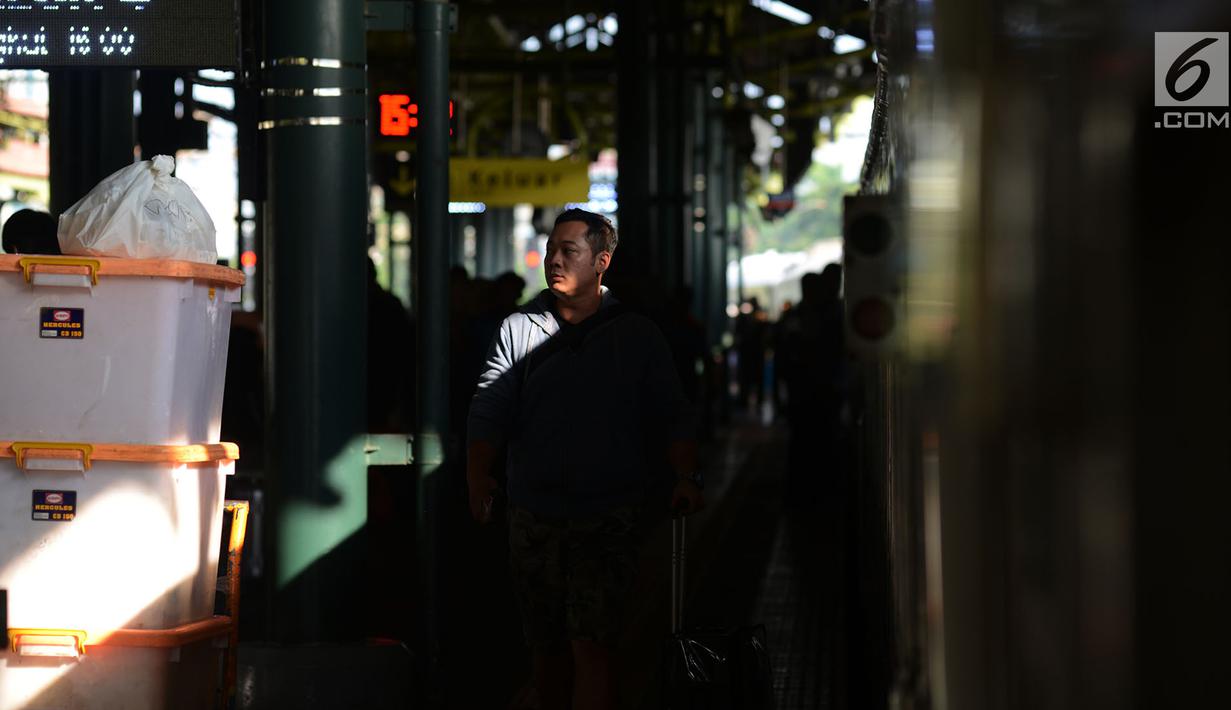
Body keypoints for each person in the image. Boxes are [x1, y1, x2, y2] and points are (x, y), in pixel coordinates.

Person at [466, 208, 703, 710]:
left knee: (591, 643)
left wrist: (684, 475)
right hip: (532, 512)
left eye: (568, 251)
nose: (553, 260)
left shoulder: (635, 335)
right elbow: (488, 407)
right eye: (552, 249)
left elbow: (672, 411)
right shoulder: (518, 328)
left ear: (601, 262)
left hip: (608, 514)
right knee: (545, 649)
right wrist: (477, 474)